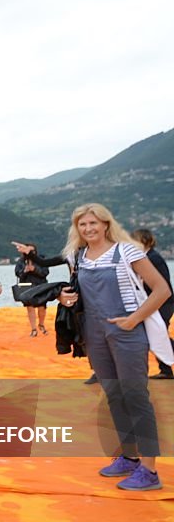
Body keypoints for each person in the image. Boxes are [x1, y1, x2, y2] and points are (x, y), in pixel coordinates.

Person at [45, 205, 170, 490]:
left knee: (136, 397)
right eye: (82, 224)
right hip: (95, 333)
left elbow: (162, 289)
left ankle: (150, 471)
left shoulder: (128, 252)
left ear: (105, 224)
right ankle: (129, 456)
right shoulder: (79, 257)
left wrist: (135, 319)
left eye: (93, 223)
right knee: (114, 394)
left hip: (127, 333)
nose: (88, 229)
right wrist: (65, 298)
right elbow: (77, 294)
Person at [130, 229, 173, 380]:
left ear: (144, 240)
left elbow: (162, 285)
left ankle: (166, 369)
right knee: (159, 335)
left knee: (159, 335)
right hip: (157, 303)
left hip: (163, 303)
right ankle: (166, 370)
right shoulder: (146, 257)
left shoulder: (153, 258)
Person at [14, 242, 50, 337]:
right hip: (27, 286)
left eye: (32, 250)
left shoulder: (41, 259)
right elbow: (17, 273)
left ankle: (41, 324)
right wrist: (25, 271)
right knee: (30, 308)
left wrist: (34, 269)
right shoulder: (21, 261)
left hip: (40, 285)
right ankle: (33, 329)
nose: (30, 252)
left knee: (42, 307)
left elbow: (45, 272)